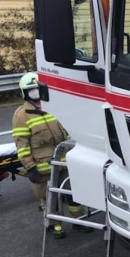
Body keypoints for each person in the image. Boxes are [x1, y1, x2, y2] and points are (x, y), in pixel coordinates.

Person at [12, 72, 84, 238]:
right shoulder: (21, 116)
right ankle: (54, 225)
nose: (37, 95)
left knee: (73, 194)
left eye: (39, 90)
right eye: (32, 92)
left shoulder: (53, 107)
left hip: (64, 162)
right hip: (43, 166)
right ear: (25, 93)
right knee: (50, 198)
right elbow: (22, 145)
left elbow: (67, 132)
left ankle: (79, 220)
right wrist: (30, 168)